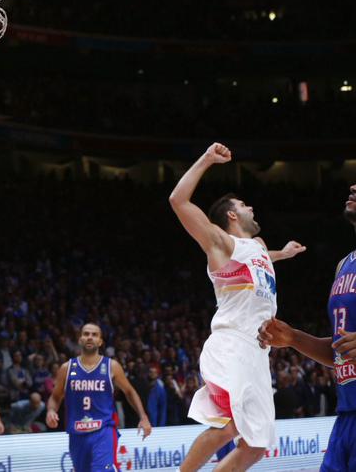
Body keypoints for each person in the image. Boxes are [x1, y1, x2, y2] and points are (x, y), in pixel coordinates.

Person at [168, 142, 305, 471]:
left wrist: (282, 254)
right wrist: (206, 159)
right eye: (244, 205)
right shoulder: (220, 243)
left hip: (258, 354)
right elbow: (178, 201)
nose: (251, 208)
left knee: (256, 445)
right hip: (231, 344)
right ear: (232, 215)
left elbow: (260, 257)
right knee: (226, 424)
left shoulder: (255, 246)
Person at [258, 183, 356, 471]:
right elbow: (341, 350)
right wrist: (294, 338)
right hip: (347, 414)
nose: (351, 186)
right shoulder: (344, 265)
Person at [46, 323, 152, 471]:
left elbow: (129, 391)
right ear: (80, 339)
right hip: (77, 433)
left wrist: (143, 416)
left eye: (94, 335)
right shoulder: (67, 368)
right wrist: (51, 410)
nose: (90, 337)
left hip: (104, 430)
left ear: (100, 341)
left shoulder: (111, 366)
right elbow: (55, 397)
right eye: (86, 334)